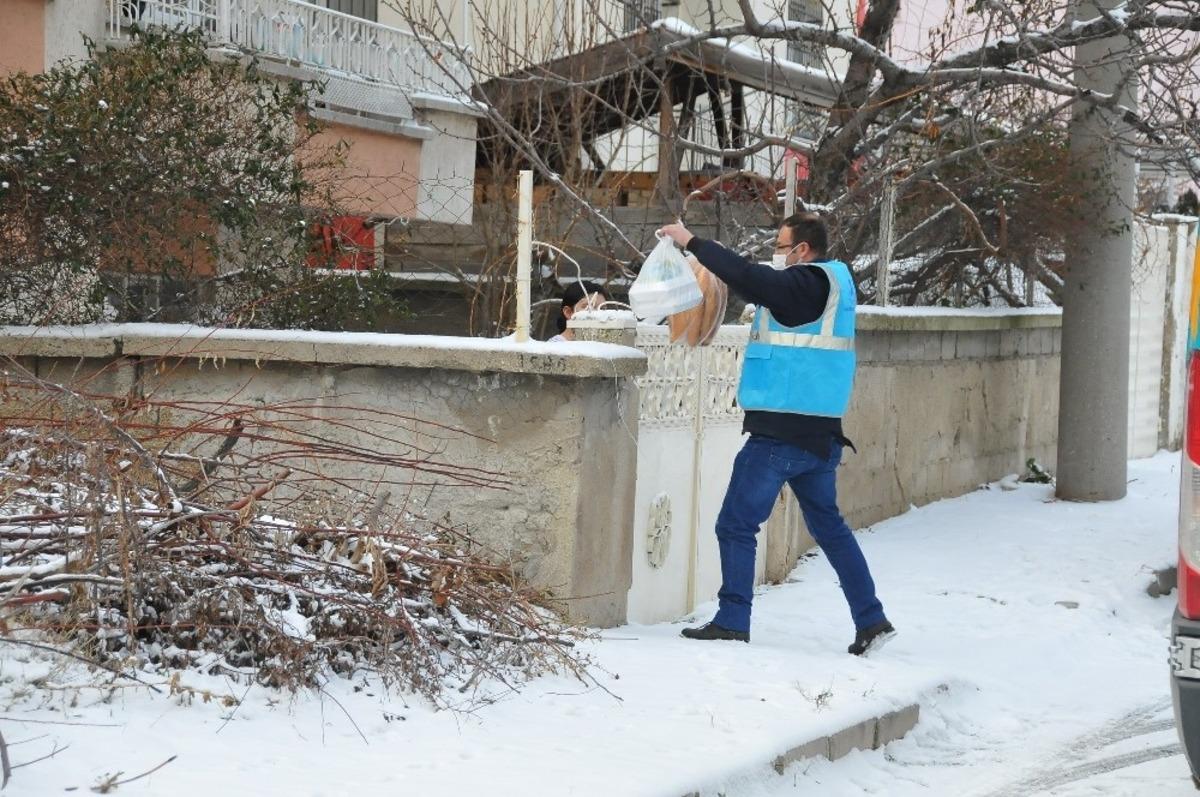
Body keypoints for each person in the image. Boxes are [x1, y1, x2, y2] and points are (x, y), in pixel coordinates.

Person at [657, 212, 894, 656]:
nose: (777, 253)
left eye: (782, 246)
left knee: (735, 524)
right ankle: (871, 619)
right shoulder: (836, 285)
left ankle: (732, 619)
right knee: (831, 530)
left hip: (781, 437)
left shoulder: (803, 286)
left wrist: (692, 240)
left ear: (802, 250)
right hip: (820, 437)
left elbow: (748, 277)